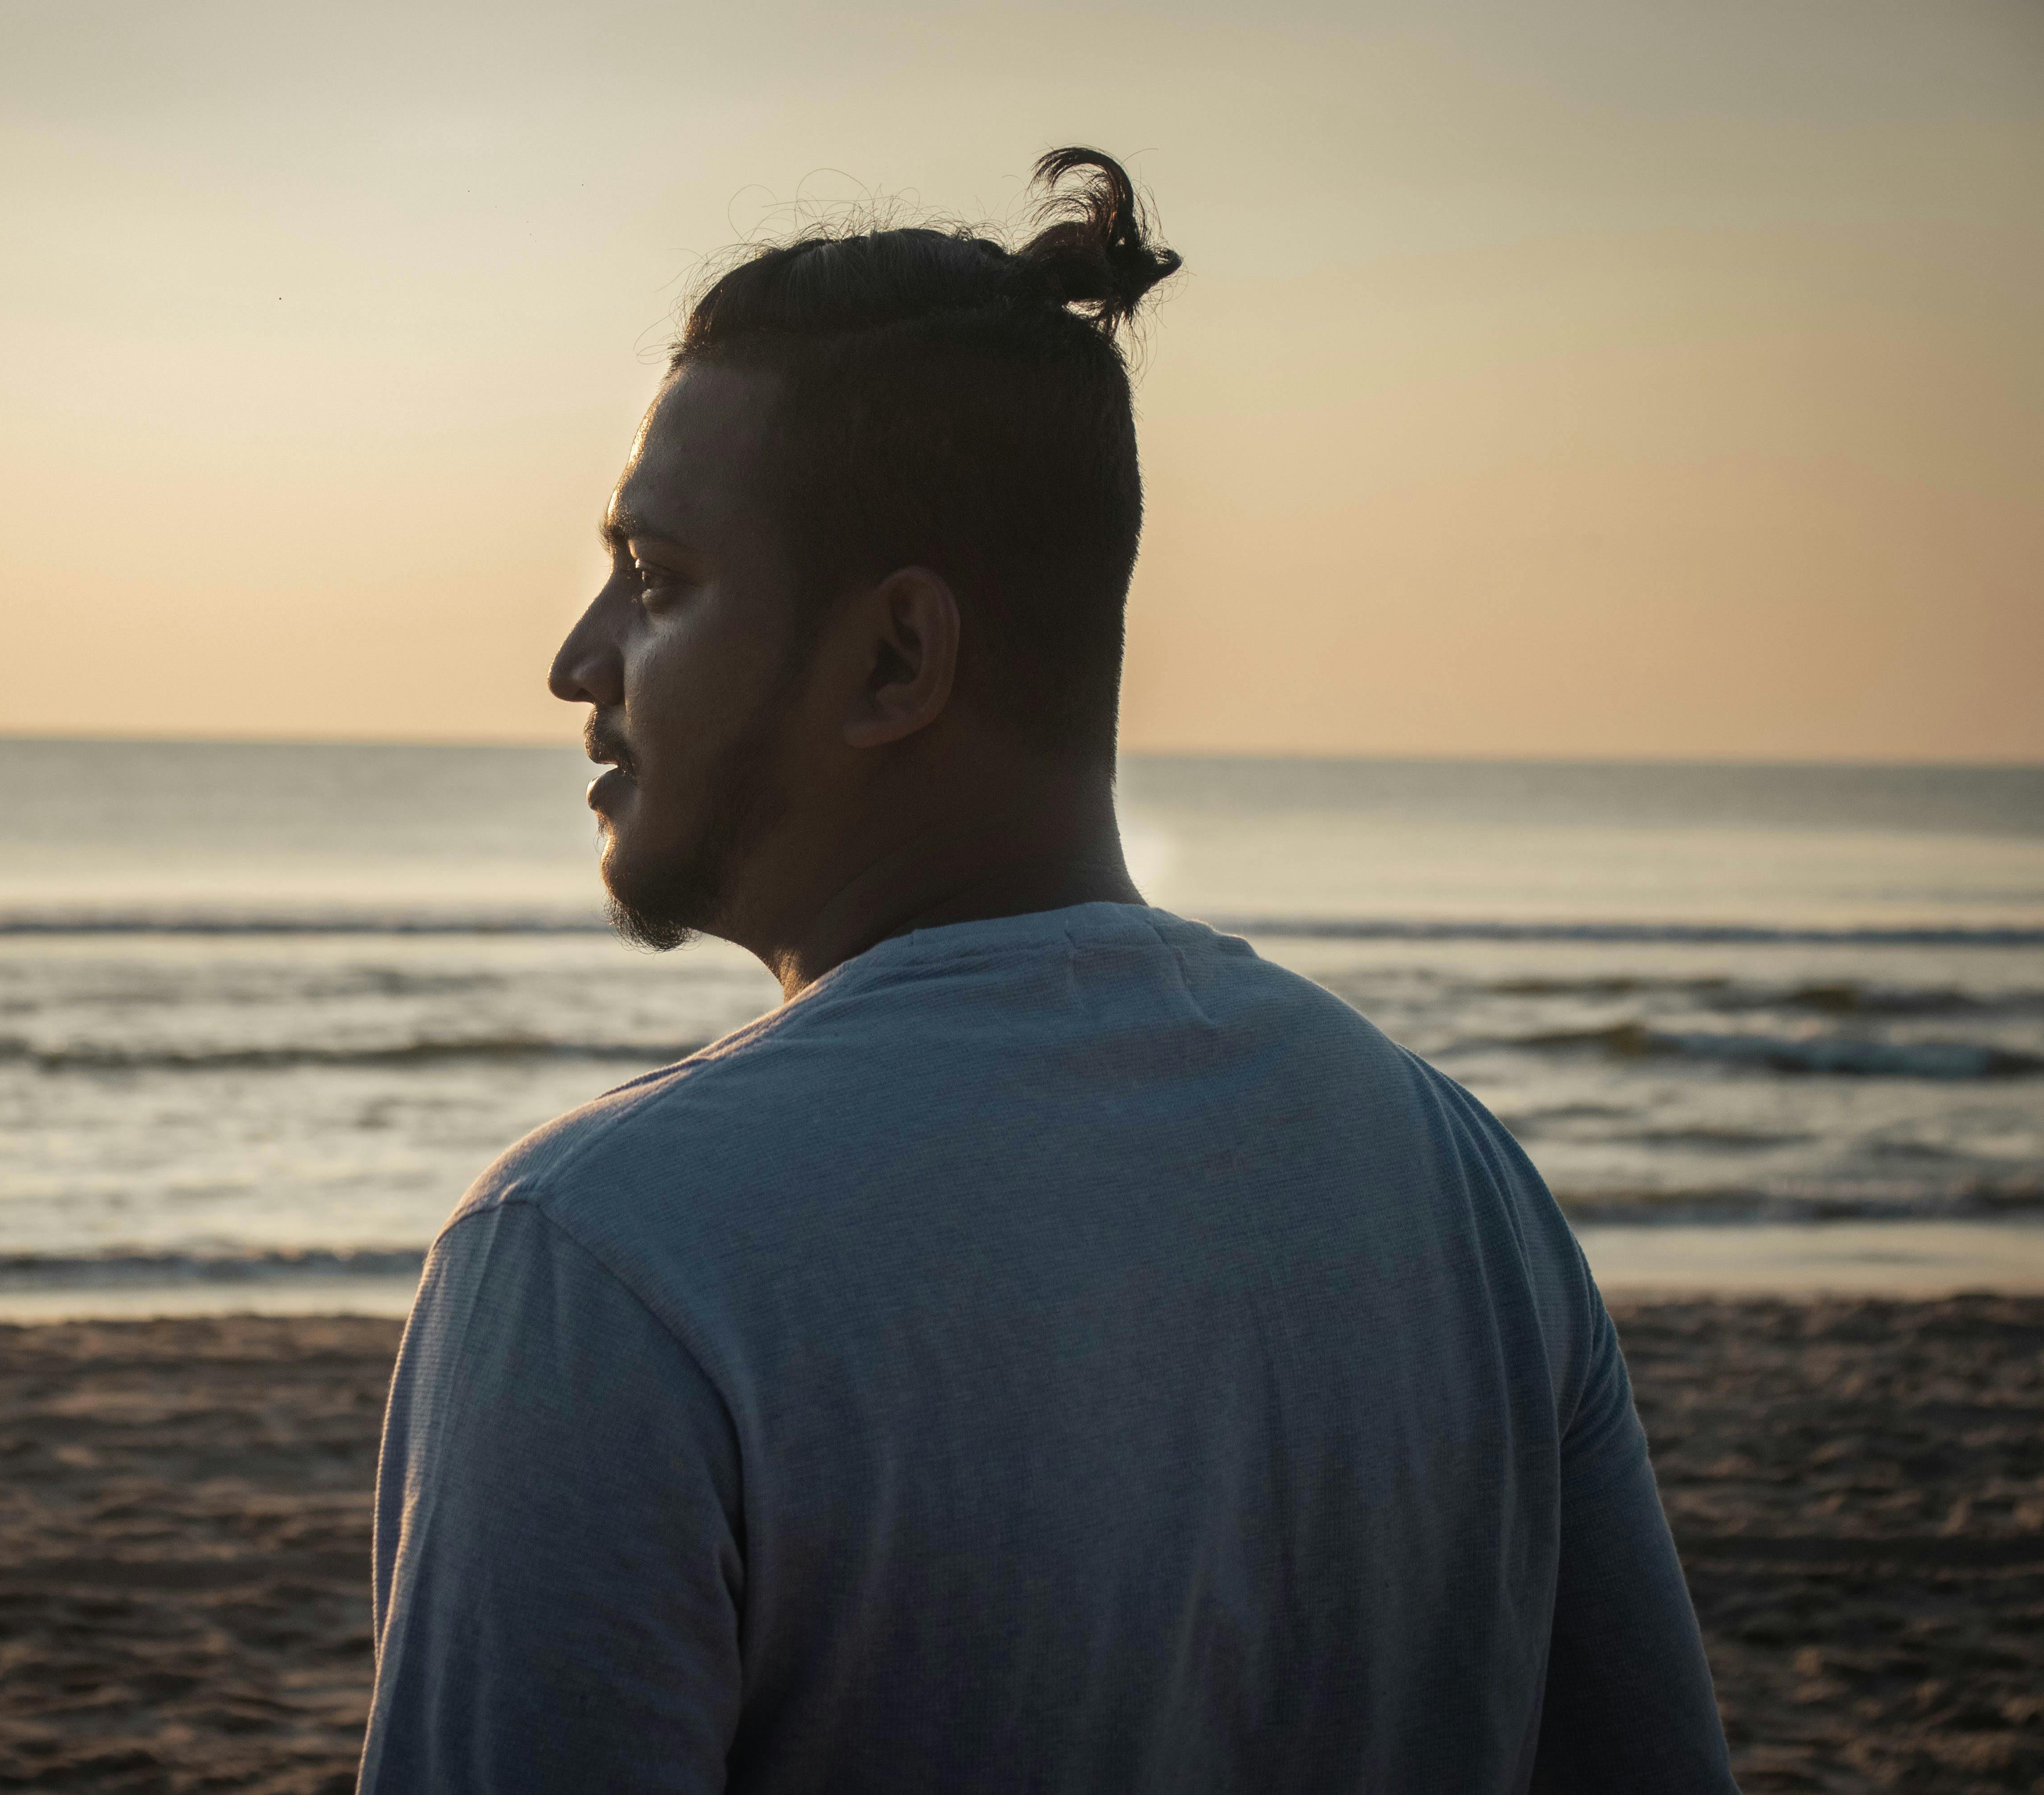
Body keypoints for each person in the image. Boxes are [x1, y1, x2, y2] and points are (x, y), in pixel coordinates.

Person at [357, 148, 1735, 1793]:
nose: (579, 659)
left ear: (895, 658)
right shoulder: (1458, 1186)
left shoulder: (604, 1264)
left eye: (657, 581)